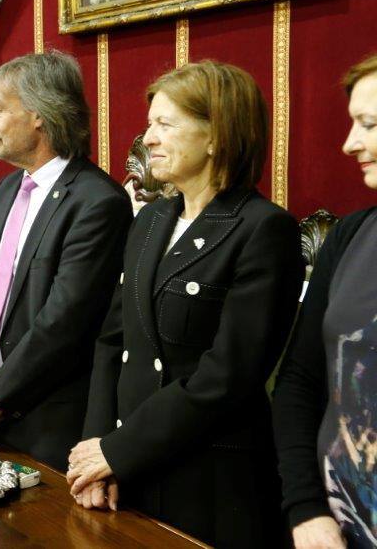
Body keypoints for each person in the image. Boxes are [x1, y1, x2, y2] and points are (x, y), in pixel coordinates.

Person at [68, 61, 304, 547]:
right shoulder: (150, 220)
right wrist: (95, 453)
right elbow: (112, 342)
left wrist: (118, 450)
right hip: (128, 469)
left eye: (165, 124)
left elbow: (228, 375)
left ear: (217, 134)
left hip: (207, 478)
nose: (147, 138)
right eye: (149, 123)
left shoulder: (263, 229)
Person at [0, 52, 132, 472]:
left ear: (40, 115)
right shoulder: (8, 188)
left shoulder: (97, 202)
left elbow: (62, 324)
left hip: (44, 423)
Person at [273, 54, 377, 549]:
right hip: (333, 530)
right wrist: (305, 509)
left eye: (369, 124)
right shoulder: (351, 235)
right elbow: (300, 380)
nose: (350, 143)